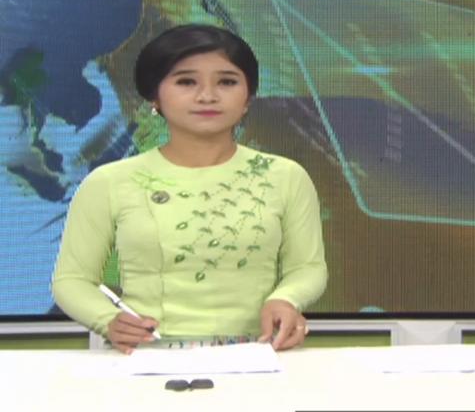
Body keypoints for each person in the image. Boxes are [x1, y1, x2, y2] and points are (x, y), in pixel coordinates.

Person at [52, 24, 327, 354]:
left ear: (247, 97)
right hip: (146, 357)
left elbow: (307, 268)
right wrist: (107, 320)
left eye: (227, 82)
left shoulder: (286, 176)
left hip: (259, 354)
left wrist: (286, 299)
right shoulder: (110, 182)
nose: (207, 96)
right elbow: (71, 280)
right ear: (155, 97)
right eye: (186, 82)